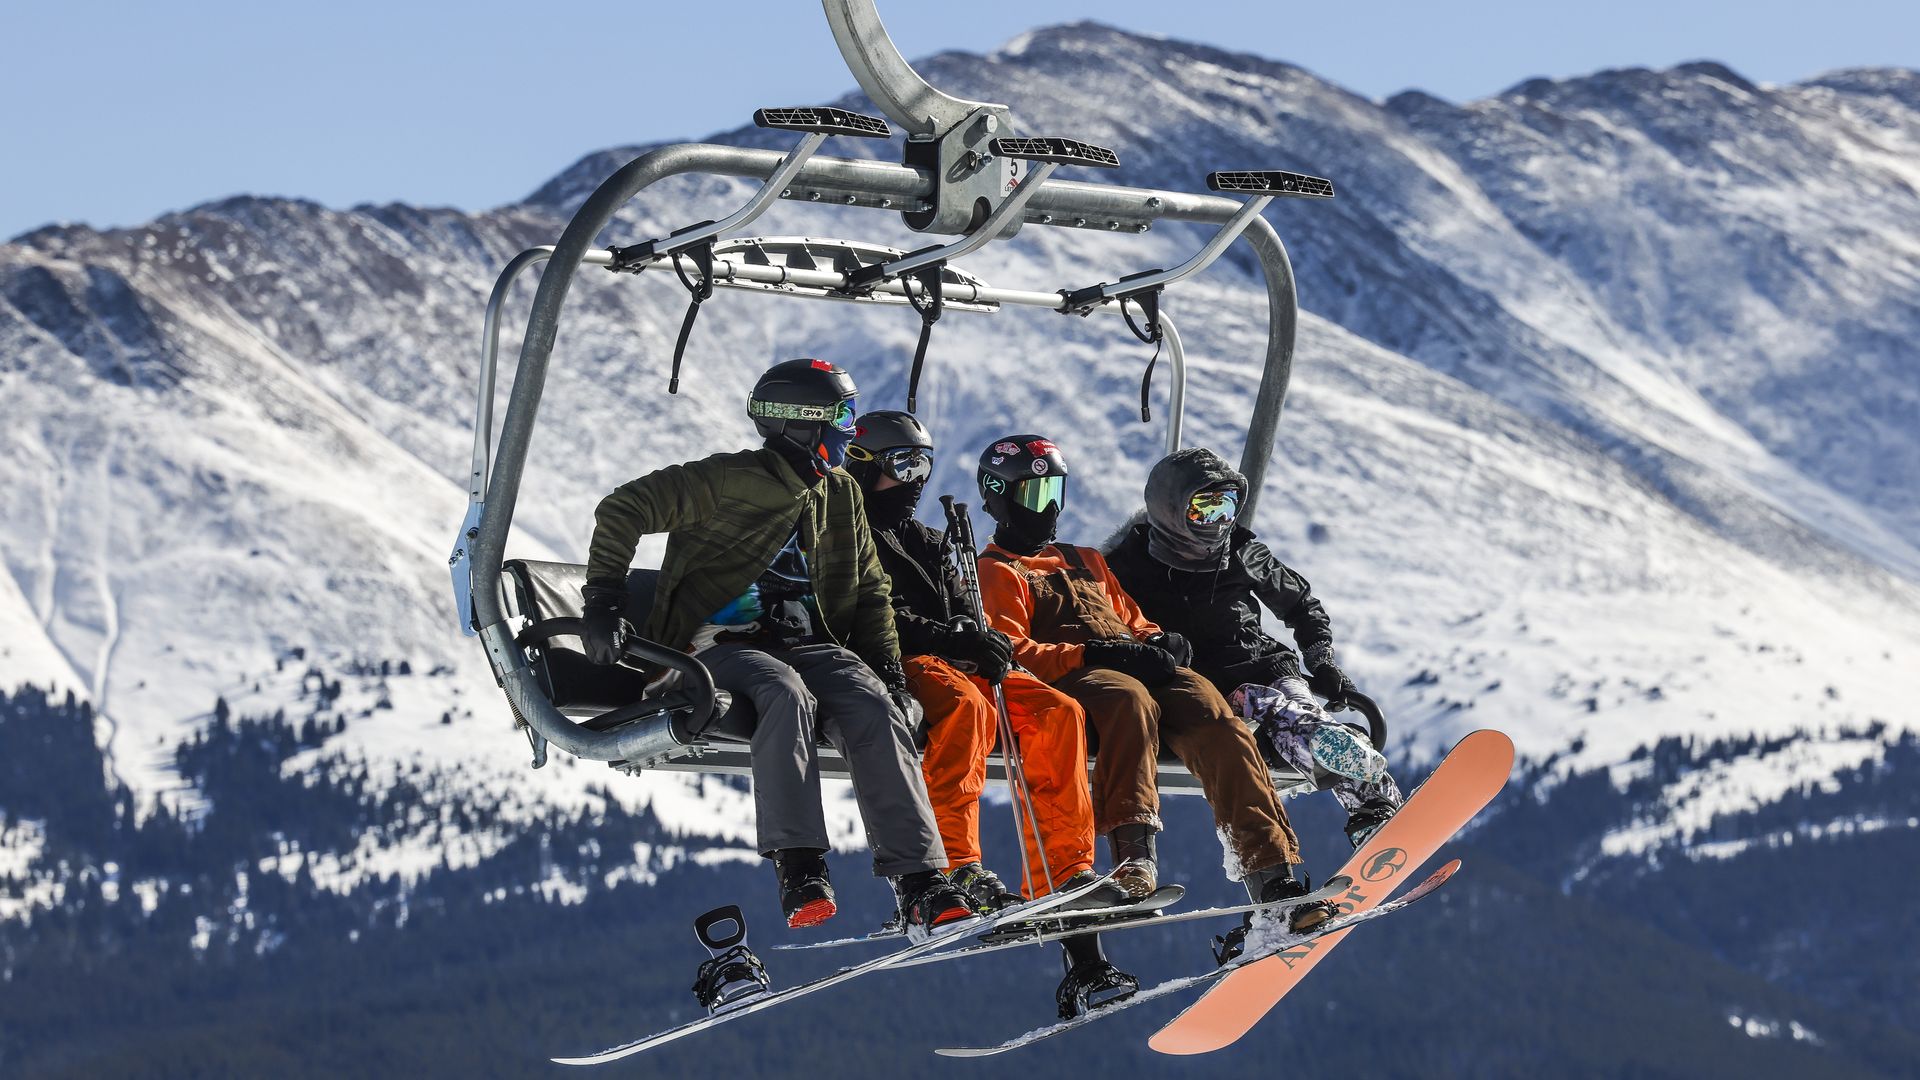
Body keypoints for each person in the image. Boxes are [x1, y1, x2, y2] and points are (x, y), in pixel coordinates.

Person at [578, 358, 973, 938]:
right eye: (842, 417)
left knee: (873, 703)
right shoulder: (727, 480)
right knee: (782, 693)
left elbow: (871, 590)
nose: (849, 430)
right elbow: (624, 508)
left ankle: (920, 882)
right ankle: (801, 867)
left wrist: (890, 673)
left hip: (808, 644)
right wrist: (604, 602)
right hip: (715, 647)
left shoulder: (841, 492)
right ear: (801, 422)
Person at [971, 434, 1336, 968]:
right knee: (1129, 700)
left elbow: (1132, 618)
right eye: (1033, 494)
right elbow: (1014, 650)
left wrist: (1158, 641)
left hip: (1135, 664)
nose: (1047, 507)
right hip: (1081, 678)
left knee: (1216, 717)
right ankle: (1134, 859)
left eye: (1055, 492)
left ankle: (1272, 877)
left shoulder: (1084, 559)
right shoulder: (996, 570)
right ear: (1000, 498)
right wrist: (1095, 653)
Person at [848, 412, 1128, 1017]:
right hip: (896, 658)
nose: (914, 480)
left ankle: (1068, 871)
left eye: (922, 466)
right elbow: (869, 614)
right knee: (966, 709)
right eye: (902, 466)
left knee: (1056, 711)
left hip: (954, 655)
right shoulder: (844, 533)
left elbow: (963, 608)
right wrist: (952, 636)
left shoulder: (928, 541)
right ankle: (956, 864)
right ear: (864, 467)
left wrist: (978, 635)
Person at [1104, 447, 1403, 855]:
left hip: (1267, 665)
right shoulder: (1126, 567)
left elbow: (1300, 605)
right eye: (1205, 510)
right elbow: (1099, 624)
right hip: (1205, 689)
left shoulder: (1241, 551)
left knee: (1292, 705)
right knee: (1272, 709)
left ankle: (1370, 804)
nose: (1219, 522)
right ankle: (1343, 766)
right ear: (1171, 510)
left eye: (1227, 507)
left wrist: (1321, 661)